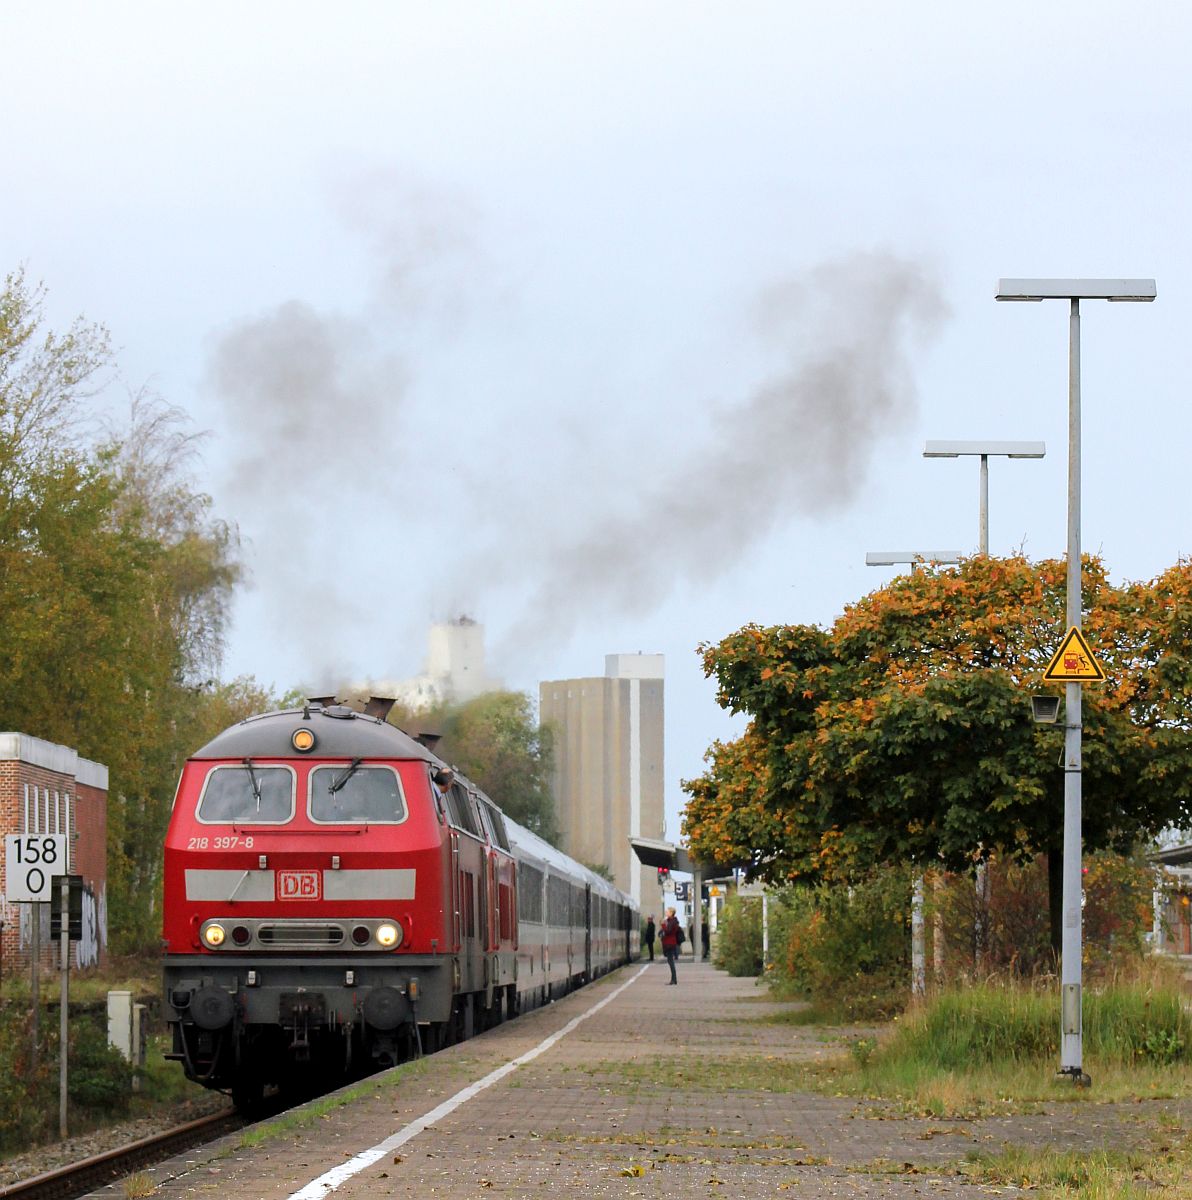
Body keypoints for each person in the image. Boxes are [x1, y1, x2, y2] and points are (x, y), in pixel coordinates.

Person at [660, 907, 682, 985]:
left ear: (671, 913)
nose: (666, 913)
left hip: (670, 943)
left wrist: (663, 925)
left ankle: (674, 979)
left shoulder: (672, 921)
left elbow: (668, 931)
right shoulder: (671, 921)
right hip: (670, 942)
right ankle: (673, 979)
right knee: (670, 961)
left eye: (667, 912)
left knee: (671, 962)